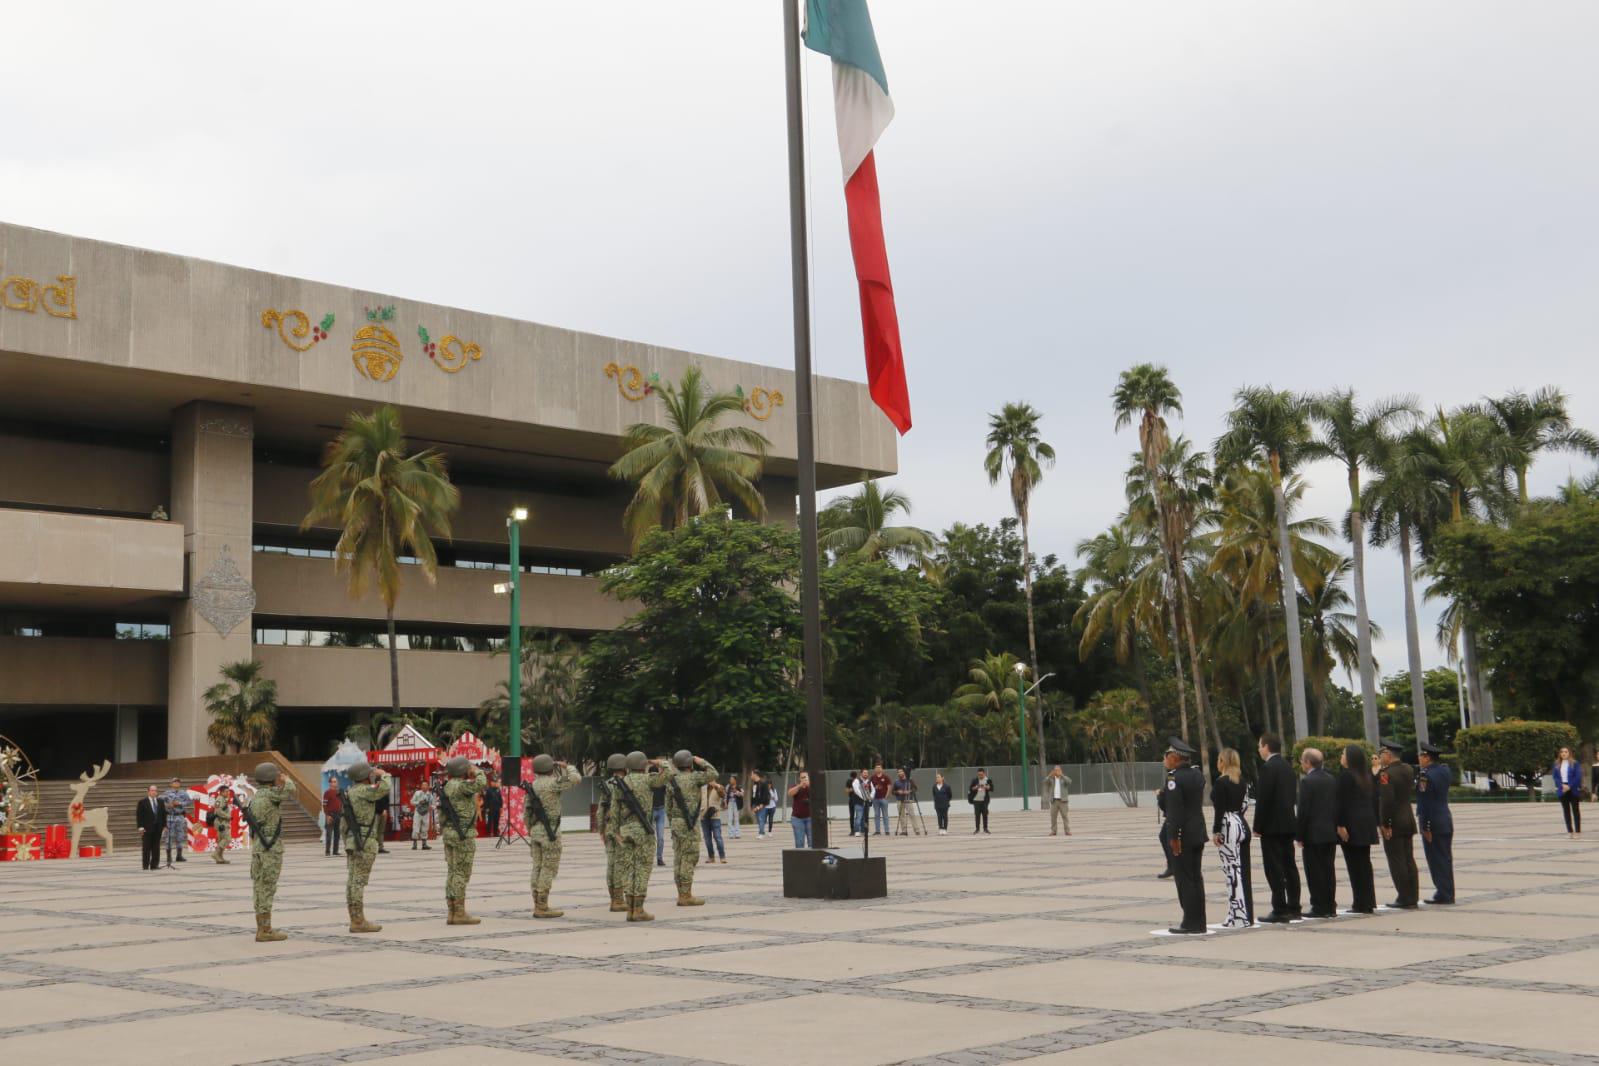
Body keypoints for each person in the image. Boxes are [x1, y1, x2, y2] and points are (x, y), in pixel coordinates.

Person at [1253, 733, 1302, 923]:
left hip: (1272, 827)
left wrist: (1258, 826)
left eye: (1259, 745)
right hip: (1288, 824)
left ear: (1266, 747)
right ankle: (1294, 907)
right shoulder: (1287, 767)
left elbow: (1263, 800)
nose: (1259, 749)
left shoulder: (1268, 768)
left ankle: (1280, 908)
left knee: (1274, 869)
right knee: (1289, 866)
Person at [607, 751, 661, 921]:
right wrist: (657, 762)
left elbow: (614, 810)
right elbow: (669, 774)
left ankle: (630, 909)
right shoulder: (649, 779)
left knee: (628, 869)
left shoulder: (620, 782)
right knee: (643, 869)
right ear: (643, 765)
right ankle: (638, 910)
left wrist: (615, 832)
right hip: (644, 832)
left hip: (625, 831)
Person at [525, 753, 580, 918]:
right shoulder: (553, 783)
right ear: (550, 768)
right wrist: (566, 766)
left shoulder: (532, 785)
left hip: (536, 831)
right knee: (548, 869)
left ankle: (536, 903)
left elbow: (526, 812)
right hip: (550, 832)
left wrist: (530, 829)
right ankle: (542, 906)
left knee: (537, 867)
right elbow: (576, 778)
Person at [246, 762, 296, 941]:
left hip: (259, 847)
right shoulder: (271, 795)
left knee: (259, 888)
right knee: (267, 888)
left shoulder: (256, 796)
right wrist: (286, 779)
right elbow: (291, 789)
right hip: (270, 848)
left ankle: (262, 927)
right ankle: (265, 930)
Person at [1162, 737, 1208, 934]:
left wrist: (1174, 837)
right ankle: (1200, 921)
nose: (1164, 760)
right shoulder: (1196, 774)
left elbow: (1174, 812)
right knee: (1196, 878)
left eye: (1166, 756)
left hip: (1184, 836)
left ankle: (1190, 922)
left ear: (1174, 758)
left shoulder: (1174, 779)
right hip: (1197, 832)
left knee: (1185, 880)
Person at [665, 750, 718, 906]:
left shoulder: (671, 781)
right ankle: (686, 896)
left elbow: (668, 807)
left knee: (678, 858)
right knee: (689, 857)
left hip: (676, 823)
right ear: (689, 764)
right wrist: (701, 761)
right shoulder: (695, 778)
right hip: (690, 824)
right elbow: (713, 773)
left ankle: (680, 892)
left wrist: (673, 822)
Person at [342, 760, 389, 932]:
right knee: (358, 882)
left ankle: (355, 918)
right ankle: (358, 921)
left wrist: (346, 840)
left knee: (352, 881)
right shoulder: (364, 791)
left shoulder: (350, 792)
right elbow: (385, 789)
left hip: (353, 840)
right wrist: (384, 775)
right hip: (364, 841)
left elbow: (343, 824)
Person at [1210, 748, 1252, 927]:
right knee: (1239, 869)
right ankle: (1240, 912)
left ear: (1223, 762)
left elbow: (1219, 809)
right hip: (1240, 823)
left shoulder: (1221, 783)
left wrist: (1216, 831)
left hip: (1227, 825)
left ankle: (1237, 916)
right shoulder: (1242, 781)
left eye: (1219, 760)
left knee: (1231, 871)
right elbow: (1245, 805)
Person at [1335, 743, 1379, 914]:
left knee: (1355, 866)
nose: (1341, 756)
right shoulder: (1366, 775)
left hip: (1351, 825)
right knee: (1364, 865)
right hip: (1365, 825)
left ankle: (1360, 903)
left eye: (1343, 753)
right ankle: (1368, 901)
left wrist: (1339, 824)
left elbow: (1340, 803)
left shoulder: (1346, 776)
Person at [1376, 739, 1420, 909]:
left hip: (1394, 821)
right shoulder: (1408, 769)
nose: (1380, 758)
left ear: (1388, 755)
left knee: (1397, 860)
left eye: (1382, 755)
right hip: (1407, 818)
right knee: (1409, 859)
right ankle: (1413, 895)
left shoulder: (1386, 774)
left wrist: (1385, 823)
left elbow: (1387, 801)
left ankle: (1404, 896)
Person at [1296, 748, 1339, 918]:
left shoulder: (1307, 781)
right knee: (1328, 870)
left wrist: (1299, 835)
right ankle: (1330, 904)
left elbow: (1303, 811)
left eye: (1302, 761)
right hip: (1329, 832)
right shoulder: (1331, 779)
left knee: (1315, 871)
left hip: (1313, 834)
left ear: (1308, 762)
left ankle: (1319, 906)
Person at [1417, 742, 1455, 905]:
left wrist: (1426, 827)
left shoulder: (1425, 776)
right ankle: (1447, 891)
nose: (1419, 759)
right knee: (1445, 858)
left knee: (1436, 859)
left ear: (1427, 758)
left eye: (1421, 756)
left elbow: (1425, 803)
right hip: (1445, 819)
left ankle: (1443, 893)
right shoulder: (1444, 771)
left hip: (1433, 822)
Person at [598, 753, 628, 912]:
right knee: (620, 864)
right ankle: (618, 900)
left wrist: (601, 830)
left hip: (609, 828)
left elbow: (601, 809)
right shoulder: (625, 783)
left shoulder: (607, 784)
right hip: (621, 829)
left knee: (611, 863)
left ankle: (613, 897)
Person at [159, 777, 190, 868]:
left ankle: (179, 855)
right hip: (170, 817)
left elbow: (188, 802)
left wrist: (180, 804)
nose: (176, 783)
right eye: (174, 782)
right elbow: (159, 801)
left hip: (179, 816)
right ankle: (169, 856)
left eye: (178, 782)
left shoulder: (183, 793)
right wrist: (168, 805)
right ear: (171, 784)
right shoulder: (166, 793)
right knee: (169, 836)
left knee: (180, 836)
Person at [1554, 746, 1582, 836]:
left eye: (1566, 752)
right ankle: (1570, 831)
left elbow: (1577, 777)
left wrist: (1569, 786)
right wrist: (1561, 785)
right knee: (1566, 811)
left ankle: (1577, 831)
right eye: (1562, 752)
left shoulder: (1575, 763)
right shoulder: (1557, 764)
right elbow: (1555, 777)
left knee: (1575, 810)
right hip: (1562, 788)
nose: (1563, 753)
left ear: (1569, 753)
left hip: (1572, 788)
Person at [137, 785, 165, 871]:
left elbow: (163, 815)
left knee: (156, 848)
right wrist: (140, 827)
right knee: (146, 848)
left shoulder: (160, 801)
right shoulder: (142, 802)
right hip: (146, 828)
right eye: (152, 790)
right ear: (148, 791)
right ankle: (145, 865)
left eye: (155, 790)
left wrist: (164, 826)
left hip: (158, 828)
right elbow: (139, 816)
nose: (154, 792)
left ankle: (154, 865)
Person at [701, 778, 727, 863]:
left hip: (715, 816)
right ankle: (711, 857)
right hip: (704, 816)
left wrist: (717, 786)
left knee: (717, 837)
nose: (709, 781)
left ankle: (722, 857)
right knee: (707, 839)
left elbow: (723, 795)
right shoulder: (703, 788)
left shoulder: (719, 787)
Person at [788, 772, 813, 848]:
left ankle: (811, 858)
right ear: (799, 779)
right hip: (797, 819)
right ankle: (800, 859)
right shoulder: (796, 786)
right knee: (799, 842)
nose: (804, 779)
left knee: (812, 841)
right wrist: (800, 786)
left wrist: (808, 785)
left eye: (805, 777)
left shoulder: (812, 786)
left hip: (810, 818)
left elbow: (818, 793)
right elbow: (790, 793)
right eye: (802, 777)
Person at [1047, 765, 1072, 837]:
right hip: (1054, 801)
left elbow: (1069, 782)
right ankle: (1053, 831)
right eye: (1055, 770)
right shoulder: (1051, 779)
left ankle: (1067, 831)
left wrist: (1062, 775)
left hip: (1063, 801)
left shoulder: (1064, 779)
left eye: (1058, 770)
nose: (1057, 771)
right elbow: (1045, 782)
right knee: (1053, 817)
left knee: (1065, 816)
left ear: (1061, 770)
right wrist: (1049, 775)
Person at [211, 787, 234, 864]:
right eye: (226, 791)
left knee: (222, 839)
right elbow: (218, 811)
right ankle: (216, 854)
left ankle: (220, 858)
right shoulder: (219, 799)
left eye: (228, 791)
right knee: (227, 838)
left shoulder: (223, 799)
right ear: (221, 792)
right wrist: (228, 816)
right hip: (221, 822)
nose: (228, 793)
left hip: (223, 822)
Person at [892, 768, 918, 835]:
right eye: (898, 772)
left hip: (908, 799)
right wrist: (898, 791)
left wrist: (909, 791)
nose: (900, 773)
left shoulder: (910, 780)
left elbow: (915, 788)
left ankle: (916, 830)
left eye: (901, 771)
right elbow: (893, 792)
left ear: (904, 772)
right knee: (901, 816)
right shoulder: (896, 781)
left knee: (912, 814)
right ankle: (904, 830)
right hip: (899, 800)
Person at [968, 769, 994, 833]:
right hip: (976, 800)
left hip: (984, 800)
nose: (980, 776)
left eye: (981, 774)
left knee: (985, 814)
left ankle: (985, 828)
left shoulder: (988, 780)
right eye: (979, 774)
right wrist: (976, 787)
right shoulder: (975, 780)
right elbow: (970, 789)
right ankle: (977, 829)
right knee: (977, 815)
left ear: (984, 774)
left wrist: (987, 787)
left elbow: (992, 788)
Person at [410, 783, 435, 850]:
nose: (424, 786)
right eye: (423, 785)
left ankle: (424, 844)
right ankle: (414, 844)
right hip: (418, 812)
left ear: (428, 787)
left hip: (426, 813)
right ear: (421, 786)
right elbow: (412, 802)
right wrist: (419, 802)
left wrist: (431, 807)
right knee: (416, 826)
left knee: (425, 827)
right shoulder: (417, 793)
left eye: (426, 785)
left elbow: (433, 804)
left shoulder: (430, 795)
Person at [322, 777, 343, 856]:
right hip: (330, 815)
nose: (335, 783)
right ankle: (327, 851)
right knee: (329, 834)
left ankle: (335, 851)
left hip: (338, 814)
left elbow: (340, 803)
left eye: (336, 782)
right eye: (333, 782)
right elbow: (324, 805)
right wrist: (327, 815)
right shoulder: (327, 793)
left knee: (337, 834)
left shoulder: (339, 792)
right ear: (330, 783)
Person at [869, 762, 891, 836]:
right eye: (877, 767)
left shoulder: (886, 777)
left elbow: (889, 787)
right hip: (875, 799)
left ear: (882, 769)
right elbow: (869, 787)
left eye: (879, 767)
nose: (878, 769)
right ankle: (877, 830)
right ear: (875, 769)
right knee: (876, 815)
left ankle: (887, 830)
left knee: (885, 815)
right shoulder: (872, 777)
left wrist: (886, 796)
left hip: (883, 799)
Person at [652, 773, 669, 865]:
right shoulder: (648, 784)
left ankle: (659, 858)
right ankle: (650, 857)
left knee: (660, 837)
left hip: (661, 810)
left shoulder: (662, 784)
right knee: (651, 837)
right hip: (651, 810)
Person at [750, 771, 774, 837]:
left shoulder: (763, 783)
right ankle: (762, 832)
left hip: (761, 804)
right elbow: (753, 794)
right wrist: (752, 804)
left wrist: (762, 804)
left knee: (761, 818)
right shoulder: (754, 783)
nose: (751, 776)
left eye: (752, 774)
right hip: (755, 803)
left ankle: (761, 833)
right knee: (758, 818)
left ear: (756, 775)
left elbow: (766, 795)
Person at [846, 770, 865, 836]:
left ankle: (852, 830)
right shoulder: (858, 781)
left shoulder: (848, 781)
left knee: (852, 815)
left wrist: (852, 789)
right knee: (859, 815)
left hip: (851, 799)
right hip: (858, 799)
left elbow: (847, 791)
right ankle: (859, 830)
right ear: (856, 775)